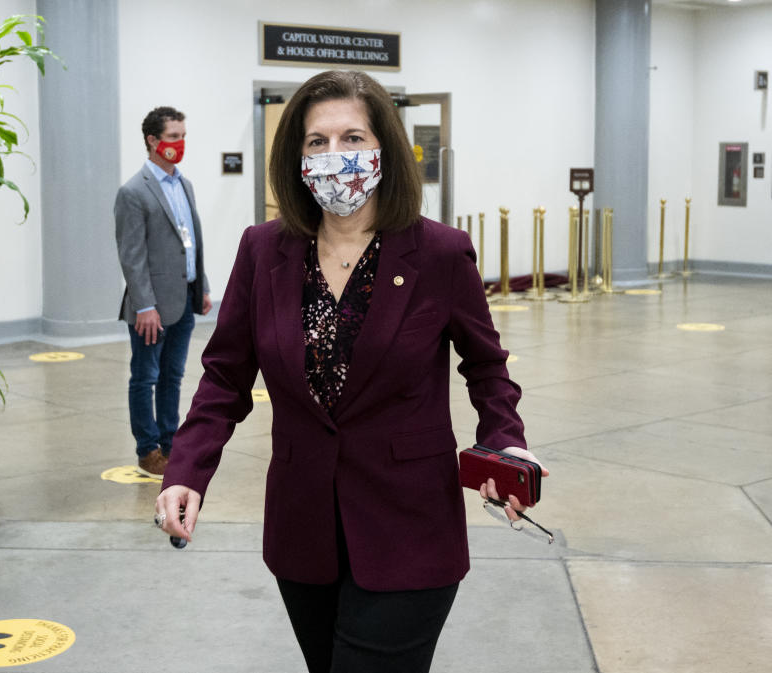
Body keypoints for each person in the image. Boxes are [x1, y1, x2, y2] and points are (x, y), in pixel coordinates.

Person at [154, 71, 548, 673]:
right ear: (297, 157)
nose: (335, 156)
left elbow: (487, 367)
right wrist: (187, 469)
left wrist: (505, 443)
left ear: (384, 149)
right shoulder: (263, 251)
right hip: (302, 529)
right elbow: (225, 376)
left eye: (352, 137)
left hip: (410, 526)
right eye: (317, 142)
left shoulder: (439, 254)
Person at [115, 106, 211, 478]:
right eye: (173, 136)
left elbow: (192, 243)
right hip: (151, 308)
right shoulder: (134, 192)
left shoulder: (184, 184)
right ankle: (147, 449)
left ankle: (171, 442)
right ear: (153, 141)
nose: (180, 143)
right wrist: (145, 306)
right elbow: (132, 256)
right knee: (145, 377)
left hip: (184, 298)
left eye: (183, 135)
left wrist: (200, 286)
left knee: (173, 376)